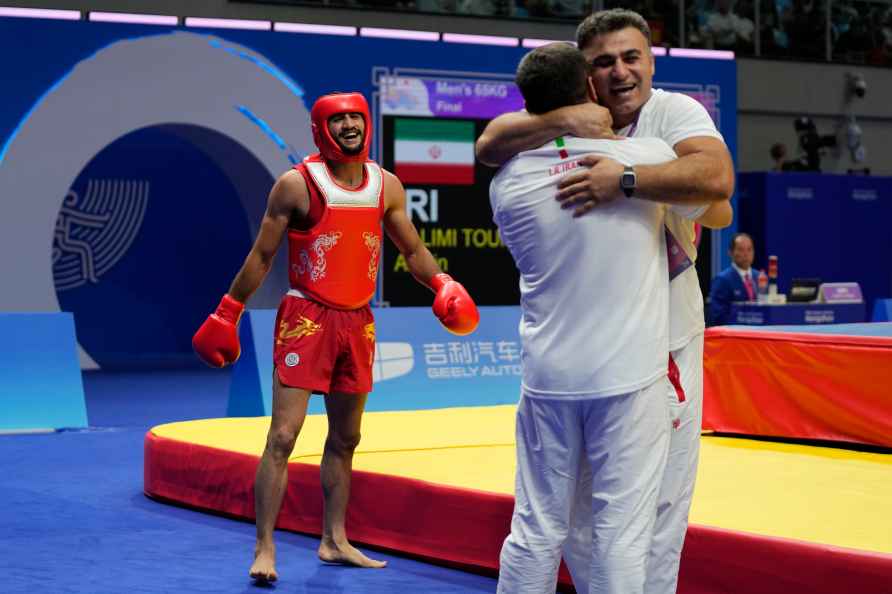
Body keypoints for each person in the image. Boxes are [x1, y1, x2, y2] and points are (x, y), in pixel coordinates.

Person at [477, 9, 734, 594]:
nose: (621, 72)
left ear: (650, 61)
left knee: (607, 515)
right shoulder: (638, 148)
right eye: (603, 63)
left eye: (631, 57)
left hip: (611, 354)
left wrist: (624, 180)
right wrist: (628, 168)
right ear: (586, 80)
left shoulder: (516, 178)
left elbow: (718, 191)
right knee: (609, 524)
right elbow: (716, 200)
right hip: (626, 365)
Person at [191, 92, 479, 583]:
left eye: (355, 117)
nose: (349, 126)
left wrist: (443, 283)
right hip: (307, 318)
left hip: (357, 321)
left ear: (365, 124)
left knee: (346, 438)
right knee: (283, 436)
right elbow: (262, 256)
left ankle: (334, 540)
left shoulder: (386, 186)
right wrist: (229, 310)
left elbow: (411, 248)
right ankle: (264, 547)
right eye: (338, 119)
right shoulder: (296, 186)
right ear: (321, 128)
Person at [707, 232, 758, 325]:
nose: (746, 254)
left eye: (749, 249)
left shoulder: (759, 277)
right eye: (741, 250)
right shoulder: (722, 280)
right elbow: (718, 316)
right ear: (730, 252)